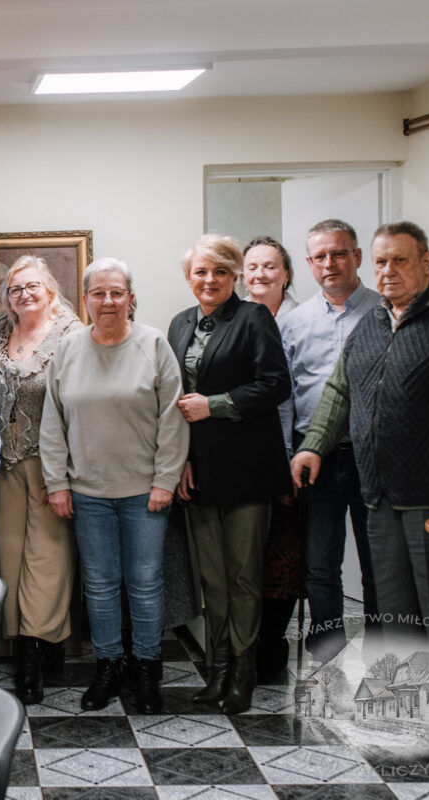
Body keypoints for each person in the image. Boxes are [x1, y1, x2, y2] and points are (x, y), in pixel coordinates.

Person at [292, 221, 429, 647]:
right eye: (381, 262)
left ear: (426, 262)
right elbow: (340, 391)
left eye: (400, 260)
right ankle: (402, 690)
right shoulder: (372, 323)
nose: (388, 271)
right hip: (381, 497)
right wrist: (313, 446)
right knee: (396, 616)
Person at [43, 258, 189, 714]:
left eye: (116, 292)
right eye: (98, 293)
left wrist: (165, 480)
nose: (107, 301)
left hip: (145, 492)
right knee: (100, 585)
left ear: (131, 298)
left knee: (144, 583)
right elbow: (53, 423)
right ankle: (108, 664)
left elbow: (173, 420)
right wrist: (57, 483)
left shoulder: (154, 344)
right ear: (85, 299)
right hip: (87, 492)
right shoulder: (68, 348)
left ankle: (146, 667)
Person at [169, 233, 291, 715]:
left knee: (243, 576)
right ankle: (216, 671)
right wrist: (180, 459)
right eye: (201, 271)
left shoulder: (254, 318)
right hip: (199, 471)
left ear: (235, 275)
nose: (210, 279)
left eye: (220, 271)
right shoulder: (180, 324)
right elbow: (174, 400)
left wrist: (215, 405)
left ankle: (243, 673)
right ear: (188, 277)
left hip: (247, 469)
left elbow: (276, 384)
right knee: (213, 579)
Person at [279, 219, 380, 662]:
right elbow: (285, 396)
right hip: (314, 455)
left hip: (370, 456)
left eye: (338, 253)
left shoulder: (383, 312)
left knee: (377, 563)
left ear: (357, 257)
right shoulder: (294, 322)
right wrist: (289, 454)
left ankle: (382, 652)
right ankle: (327, 648)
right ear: (308, 264)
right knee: (320, 563)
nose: (330, 263)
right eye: (320, 256)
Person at [0, 255, 81, 705]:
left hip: (50, 464)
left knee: (48, 560)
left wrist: (64, 474)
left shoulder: (71, 335)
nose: (23, 294)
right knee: (11, 557)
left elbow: (80, 406)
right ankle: (24, 643)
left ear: (50, 289)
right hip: (4, 464)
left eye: (31, 286)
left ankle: (35, 658)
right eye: (14, 289)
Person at [241, 235, 303, 680]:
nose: (260, 274)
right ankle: (244, 645)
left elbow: (291, 396)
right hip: (245, 456)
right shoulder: (234, 318)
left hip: (294, 456)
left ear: (286, 274)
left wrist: (287, 462)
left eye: (269, 266)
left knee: (285, 555)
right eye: (253, 267)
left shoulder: (302, 320)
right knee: (247, 557)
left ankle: (272, 643)